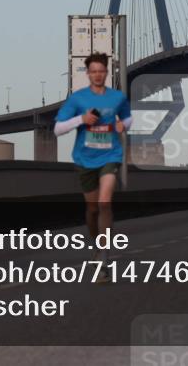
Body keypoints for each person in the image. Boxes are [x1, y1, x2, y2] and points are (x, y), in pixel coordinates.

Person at [54, 52, 132, 282]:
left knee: (104, 202)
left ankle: (104, 257)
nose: (98, 75)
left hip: (110, 155)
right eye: (94, 71)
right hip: (84, 159)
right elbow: (58, 129)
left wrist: (121, 124)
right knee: (92, 210)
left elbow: (128, 119)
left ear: (107, 73)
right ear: (88, 74)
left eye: (102, 71)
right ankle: (97, 246)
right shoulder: (77, 99)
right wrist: (81, 120)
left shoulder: (117, 97)